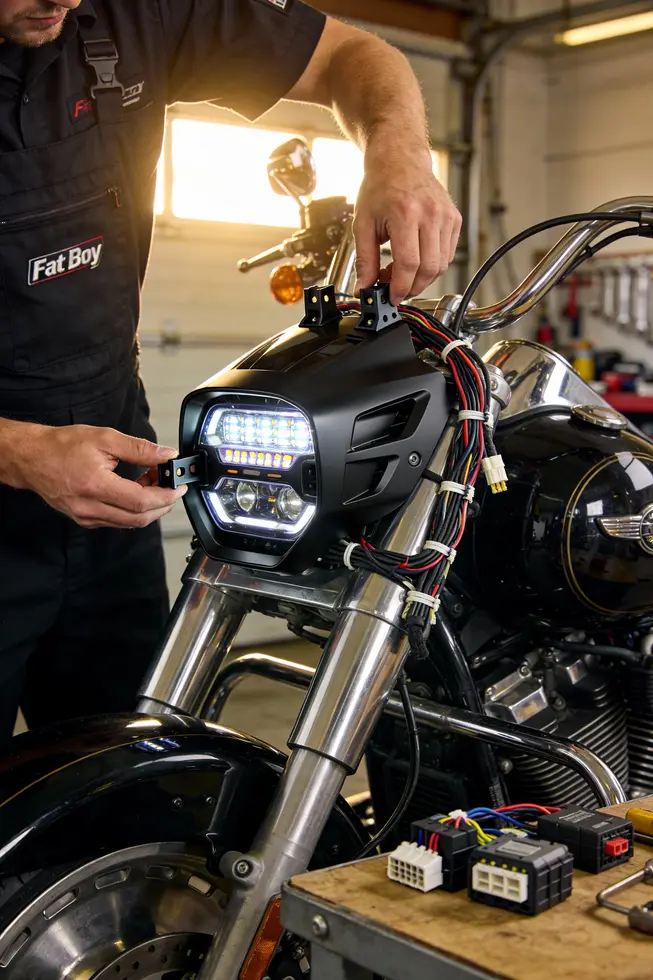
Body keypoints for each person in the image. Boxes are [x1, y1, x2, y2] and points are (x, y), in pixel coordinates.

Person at [0, 0, 462, 742]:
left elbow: (350, 54)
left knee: (123, 764)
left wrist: (399, 154)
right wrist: (17, 450)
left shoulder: (131, 17)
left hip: (109, 473)